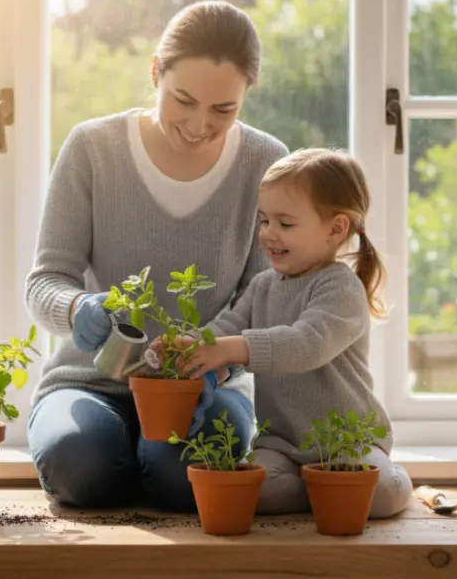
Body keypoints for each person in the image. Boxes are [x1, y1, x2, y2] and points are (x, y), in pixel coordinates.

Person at [23, 0, 290, 512]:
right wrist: (78, 309)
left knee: (180, 477)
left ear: (246, 96)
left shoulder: (265, 163)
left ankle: (151, 461)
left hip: (204, 391)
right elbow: (45, 281)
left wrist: (214, 370)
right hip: (90, 382)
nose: (198, 125)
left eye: (223, 110)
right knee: (82, 465)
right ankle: (127, 456)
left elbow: (264, 301)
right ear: (155, 73)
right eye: (183, 100)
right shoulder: (93, 149)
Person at [174, 148, 414, 518]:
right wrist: (192, 345)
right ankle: (325, 490)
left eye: (285, 224)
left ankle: (373, 481)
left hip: (347, 441)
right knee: (257, 492)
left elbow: (306, 344)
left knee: (380, 494)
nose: (269, 234)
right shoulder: (263, 286)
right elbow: (225, 329)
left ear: (336, 229)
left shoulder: (340, 288)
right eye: (264, 221)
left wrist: (231, 349)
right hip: (282, 443)